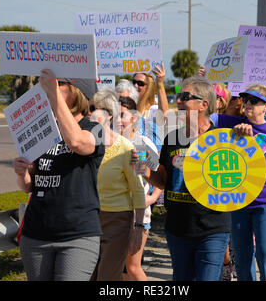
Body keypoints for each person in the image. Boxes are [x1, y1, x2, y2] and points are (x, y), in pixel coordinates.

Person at [136, 77, 231, 281]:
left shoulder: (223, 139)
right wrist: (143, 169)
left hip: (212, 229)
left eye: (185, 97)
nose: (178, 101)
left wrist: (244, 135)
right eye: (178, 96)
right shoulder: (172, 138)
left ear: (204, 104)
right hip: (177, 229)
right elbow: (163, 181)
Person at [13, 70, 105, 281]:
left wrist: (52, 93)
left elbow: (76, 142)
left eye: (60, 83)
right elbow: (30, 185)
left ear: (76, 91)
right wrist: (22, 173)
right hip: (36, 233)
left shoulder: (94, 128)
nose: (51, 86)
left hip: (77, 235)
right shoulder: (44, 128)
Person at [214, 84, 266, 281]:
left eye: (254, 101)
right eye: (246, 99)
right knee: (242, 256)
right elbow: (206, 116)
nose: (248, 104)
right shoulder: (232, 124)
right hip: (239, 199)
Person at [90, 89, 146, 281]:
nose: (90, 114)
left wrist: (138, 226)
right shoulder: (84, 145)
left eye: (96, 109)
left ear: (109, 114)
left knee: (107, 278)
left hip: (117, 220)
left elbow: (137, 190)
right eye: (90, 108)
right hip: (89, 218)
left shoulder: (124, 147)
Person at [118, 96, 163, 281]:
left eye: (122, 115)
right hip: (113, 212)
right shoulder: (109, 142)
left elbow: (160, 177)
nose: (117, 120)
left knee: (132, 267)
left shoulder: (142, 143)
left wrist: (152, 199)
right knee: (120, 269)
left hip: (137, 214)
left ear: (134, 118)